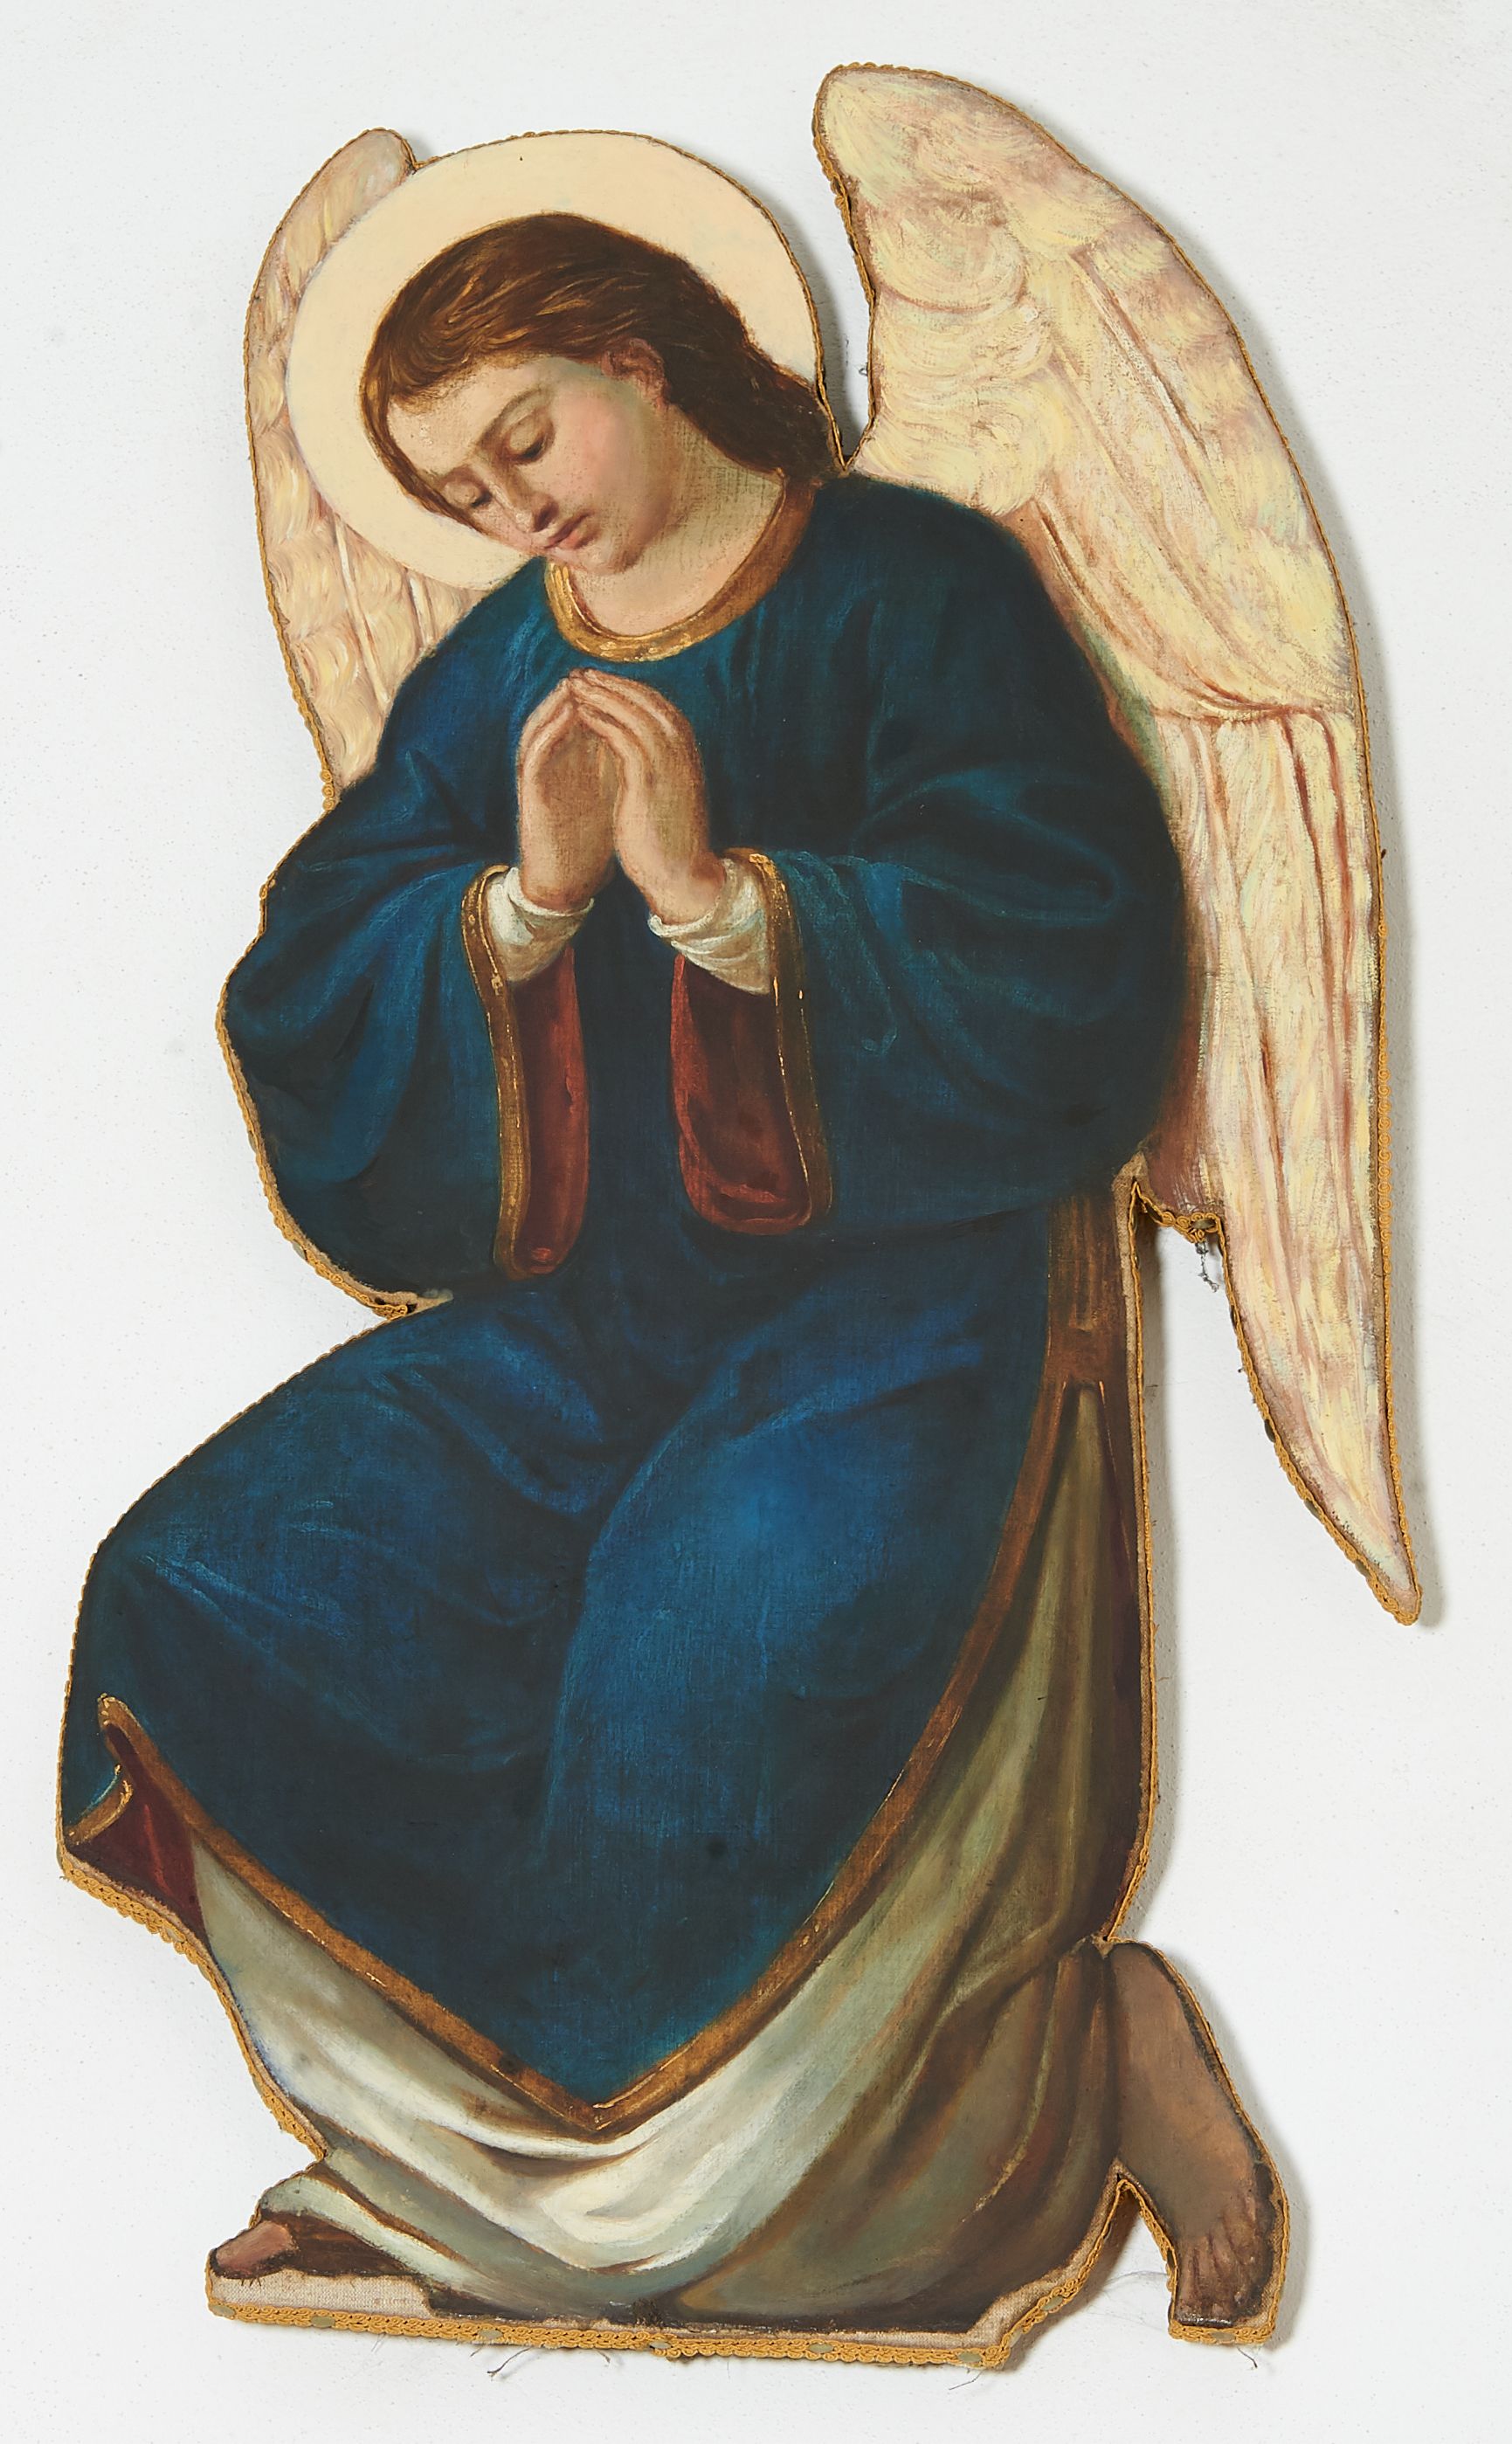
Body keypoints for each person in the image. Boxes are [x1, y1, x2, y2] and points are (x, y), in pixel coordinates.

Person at [60, 212, 1280, 2343]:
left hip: (902, 1314)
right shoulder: (499, 669)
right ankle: (452, 2178)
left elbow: (1079, 942)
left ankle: (1024, 2104)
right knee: (213, 1582)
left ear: (637, 356)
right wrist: (511, 915)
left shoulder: (911, 587)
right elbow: (315, 981)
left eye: (524, 440)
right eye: (457, 487)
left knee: (694, 1659)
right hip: (592, 1320)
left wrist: (734, 906)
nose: (507, 507)